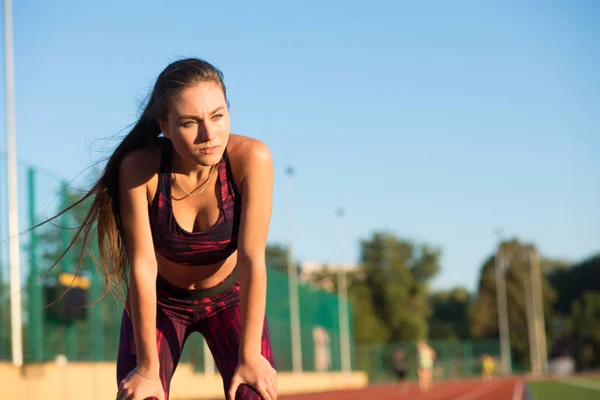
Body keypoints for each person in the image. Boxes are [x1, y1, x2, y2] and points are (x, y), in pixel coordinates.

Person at [35, 58, 277, 400]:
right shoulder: (140, 169)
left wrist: (250, 356)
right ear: (164, 124)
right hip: (160, 303)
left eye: (218, 116)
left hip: (230, 299)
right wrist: (148, 368)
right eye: (190, 122)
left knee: (254, 392)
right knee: (141, 396)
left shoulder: (252, 159)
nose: (209, 135)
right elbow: (143, 266)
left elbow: (252, 259)